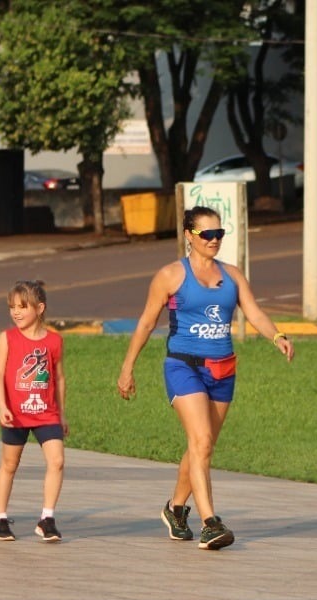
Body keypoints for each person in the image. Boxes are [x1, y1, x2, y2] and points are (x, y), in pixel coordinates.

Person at [117, 205, 294, 550]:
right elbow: (146, 322)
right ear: (189, 236)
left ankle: (176, 509)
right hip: (184, 365)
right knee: (200, 442)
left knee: (203, 444)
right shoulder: (170, 276)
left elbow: (253, 311)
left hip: (223, 369)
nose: (214, 240)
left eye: (219, 234)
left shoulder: (233, 275)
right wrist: (128, 367)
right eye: (206, 234)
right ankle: (210, 522)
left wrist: (277, 336)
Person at [0, 280, 68, 543]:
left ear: (40, 308)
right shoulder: (7, 338)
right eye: (12, 307)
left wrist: (62, 414)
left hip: (46, 413)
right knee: (9, 465)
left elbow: (58, 378)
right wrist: (2, 407)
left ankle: (47, 519)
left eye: (22, 307)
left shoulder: (55, 341)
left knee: (57, 461)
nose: (16, 312)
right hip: (16, 413)